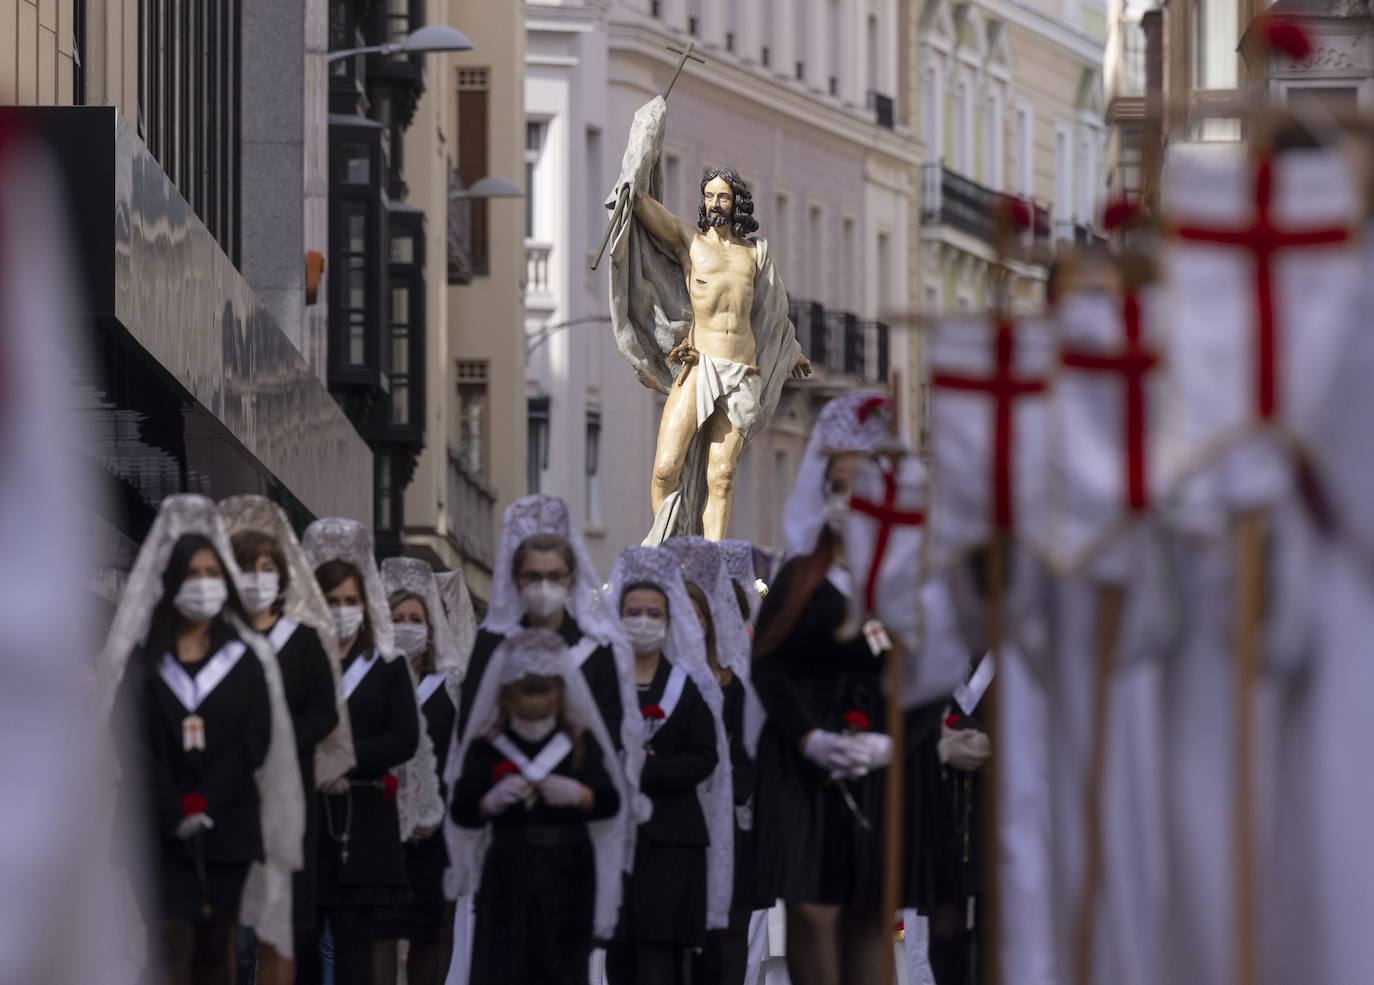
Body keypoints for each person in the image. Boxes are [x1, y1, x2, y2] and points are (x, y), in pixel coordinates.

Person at [751, 391, 946, 985]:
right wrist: (809, 737)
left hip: (887, 758)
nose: (847, 500)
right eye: (837, 487)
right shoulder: (798, 575)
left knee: (869, 915)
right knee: (811, 910)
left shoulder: (909, 580)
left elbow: (931, 675)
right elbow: (769, 665)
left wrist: (891, 742)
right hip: (805, 761)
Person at [100, 495, 304, 985]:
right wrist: (176, 807)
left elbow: (254, 738)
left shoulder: (245, 658)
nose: (205, 586)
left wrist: (208, 800)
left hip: (228, 822)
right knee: (169, 943)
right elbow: (132, 740)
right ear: (171, 583)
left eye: (214, 574)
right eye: (193, 575)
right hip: (160, 826)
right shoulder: (147, 661)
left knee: (217, 948)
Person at [223, 494, 353, 985]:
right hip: (229, 800)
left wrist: (282, 734)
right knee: (232, 931)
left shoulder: (302, 641)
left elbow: (324, 712)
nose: (257, 578)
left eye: (266, 568)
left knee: (284, 929)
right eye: (247, 568)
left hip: (288, 801)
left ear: (281, 576)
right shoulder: (220, 638)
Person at [450, 628, 627, 984]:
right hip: (507, 871)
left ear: (560, 692)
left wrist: (580, 795)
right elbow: (462, 810)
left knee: (561, 970)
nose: (533, 702)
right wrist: (490, 801)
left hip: (567, 871)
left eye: (542, 691)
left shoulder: (579, 742)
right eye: (524, 692)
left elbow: (610, 801)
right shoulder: (488, 746)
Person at [297, 519, 429, 985]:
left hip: (364, 820)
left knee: (356, 945)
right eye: (331, 601)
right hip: (307, 816)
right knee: (303, 943)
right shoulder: (298, 660)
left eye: (350, 601)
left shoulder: (386, 665)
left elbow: (403, 738)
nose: (341, 610)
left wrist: (347, 757)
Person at [604, 546, 733, 985]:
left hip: (674, 842)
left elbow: (705, 756)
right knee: (618, 954)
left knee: (660, 958)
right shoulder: (602, 682)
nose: (642, 620)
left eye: (653, 612)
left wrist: (648, 770)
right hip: (614, 838)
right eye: (633, 611)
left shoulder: (688, 686)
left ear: (667, 620)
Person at [666, 537, 762, 985]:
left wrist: (726, 788)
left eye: (697, 613)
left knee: (727, 938)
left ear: (708, 621)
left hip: (725, 823)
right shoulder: (660, 680)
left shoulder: (730, 684)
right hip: (675, 822)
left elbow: (747, 756)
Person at [374, 557, 466, 985]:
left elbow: (459, 757)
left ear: (430, 630)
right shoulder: (372, 681)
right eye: (398, 619)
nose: (407, 626)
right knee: (382, 936)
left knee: (430, 932)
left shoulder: (447, 687)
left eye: (415, 619)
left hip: (437, 831)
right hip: (378, 829)